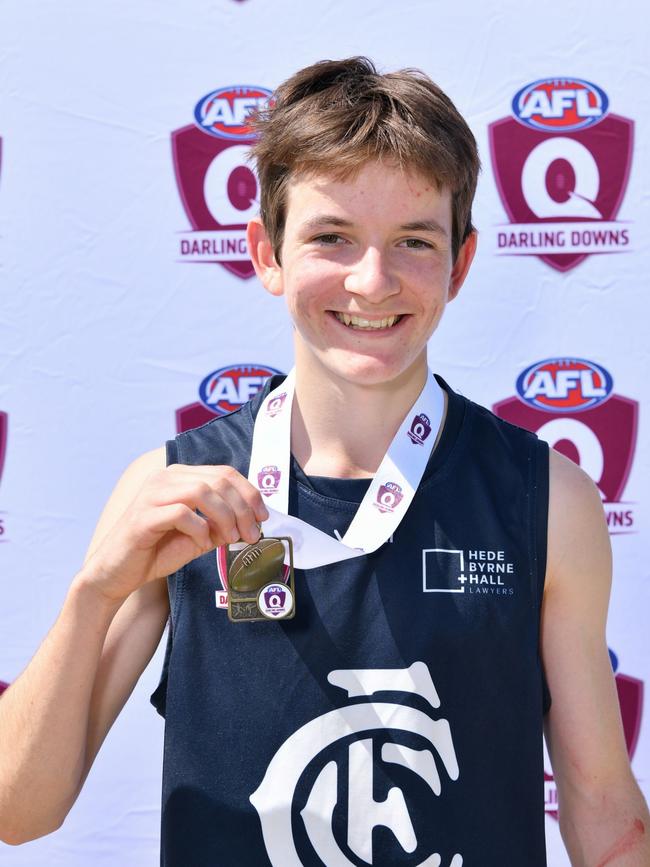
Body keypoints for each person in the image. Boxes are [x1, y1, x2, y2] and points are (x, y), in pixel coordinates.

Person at [0, 57, 648, 866]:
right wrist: (93, 591)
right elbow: (18, 809)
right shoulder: (175, 489)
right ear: (266, 253)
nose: (371, 281)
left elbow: (601, 807)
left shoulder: (546, 498)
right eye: (331, 237)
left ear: (461, 262)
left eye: (413, 240)